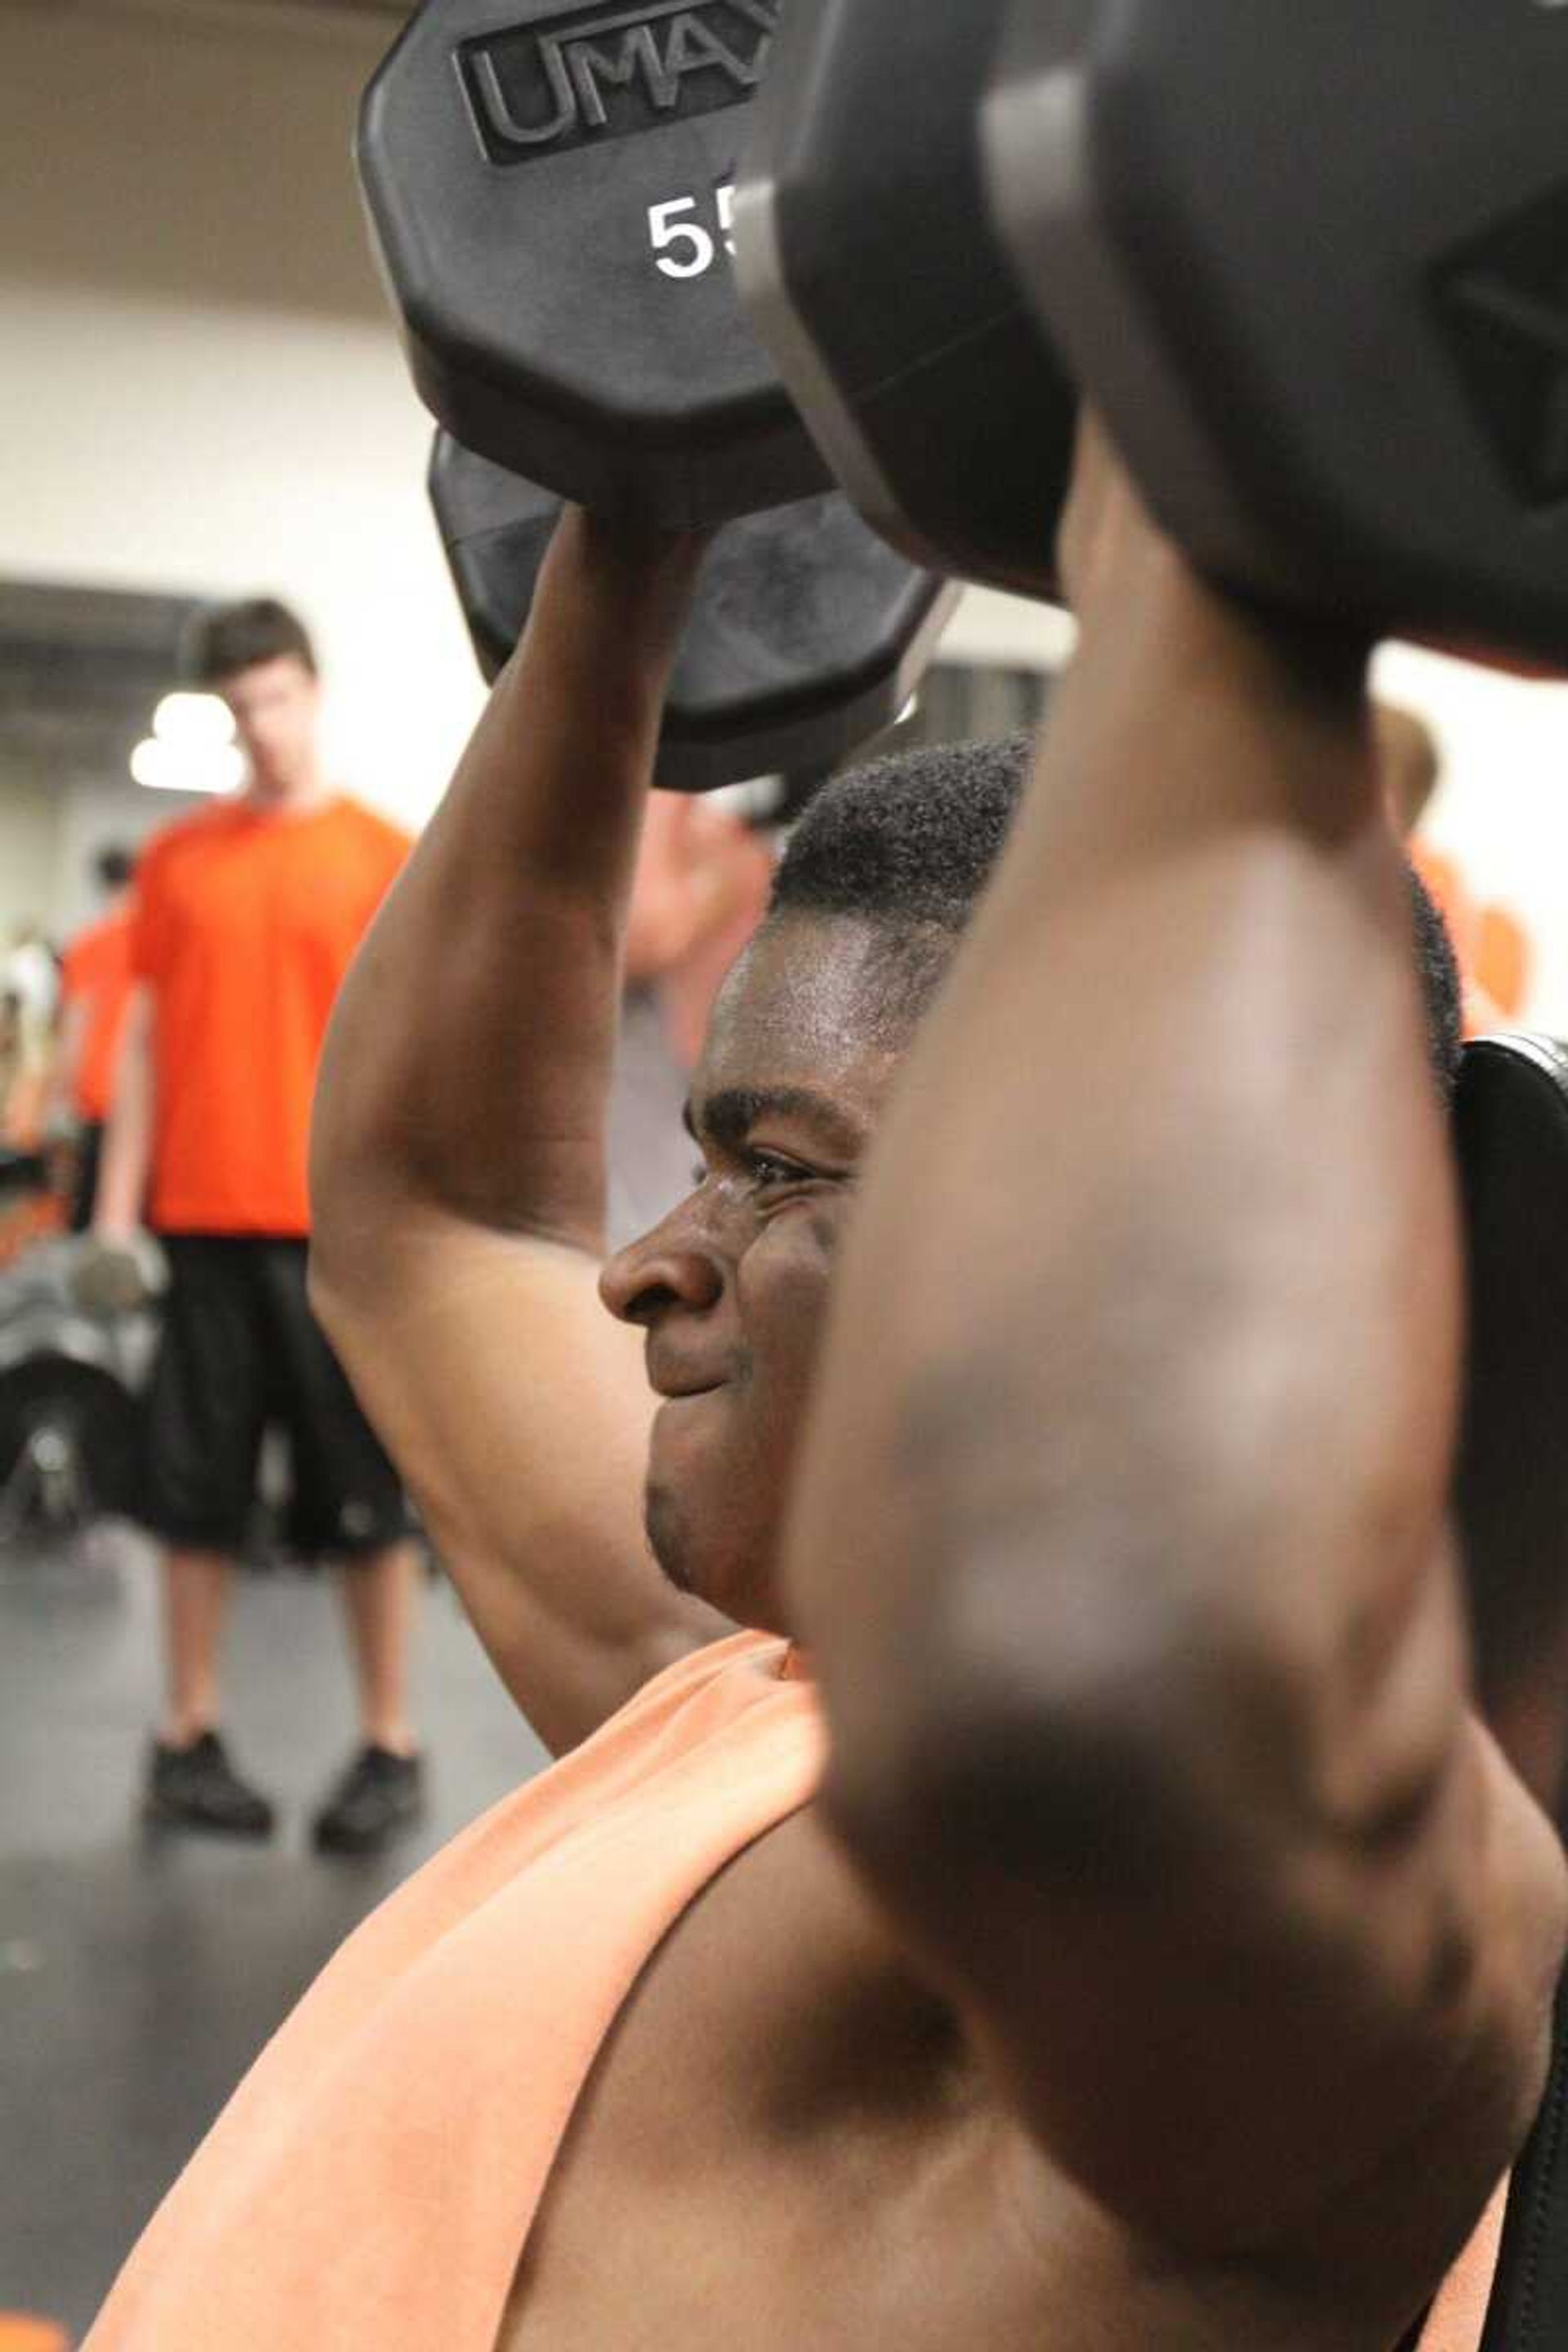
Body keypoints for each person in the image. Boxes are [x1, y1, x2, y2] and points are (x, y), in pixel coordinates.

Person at [82, 445, 1567, 2352]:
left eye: (777, 1167)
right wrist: (628, 537)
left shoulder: (1204, 2019)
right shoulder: (712, 1686)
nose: (646, 1262)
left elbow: (1230, 1761)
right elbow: (439, 1217)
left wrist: (1205, 535)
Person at [91, 598, 426, 1854]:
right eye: (241, 710)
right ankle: (187, 1734)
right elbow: (138, 1042)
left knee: (364, 1498)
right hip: (200, 1229)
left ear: (314, 691)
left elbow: (413, 1048)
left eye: (279, 699)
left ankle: (390, 1740)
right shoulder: (181, 862)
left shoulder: (383, 853)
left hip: (336, 1233)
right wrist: (118, 1213)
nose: (265, 728)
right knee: (192, 1498)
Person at [48, 845, 138, 1233]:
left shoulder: (87, 945)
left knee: (87, 1221)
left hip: (98, 1098)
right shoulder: (156, 943)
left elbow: (75, 1027)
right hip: (145, 1105)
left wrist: (60, 1097)